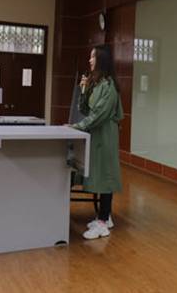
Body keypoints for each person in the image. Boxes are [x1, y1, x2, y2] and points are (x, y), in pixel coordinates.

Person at [72, 45, 123, 239]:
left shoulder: (109, 86)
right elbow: (86, 110)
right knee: (100, 174)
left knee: (105, 176)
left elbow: (99, 115)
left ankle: (103, 222)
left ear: (101, 60)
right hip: (97, 135)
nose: (90, 60)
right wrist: (83, 89)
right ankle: (104, 216)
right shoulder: (97, 83)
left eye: (93, 57)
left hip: (105, 136)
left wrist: (76, 127)